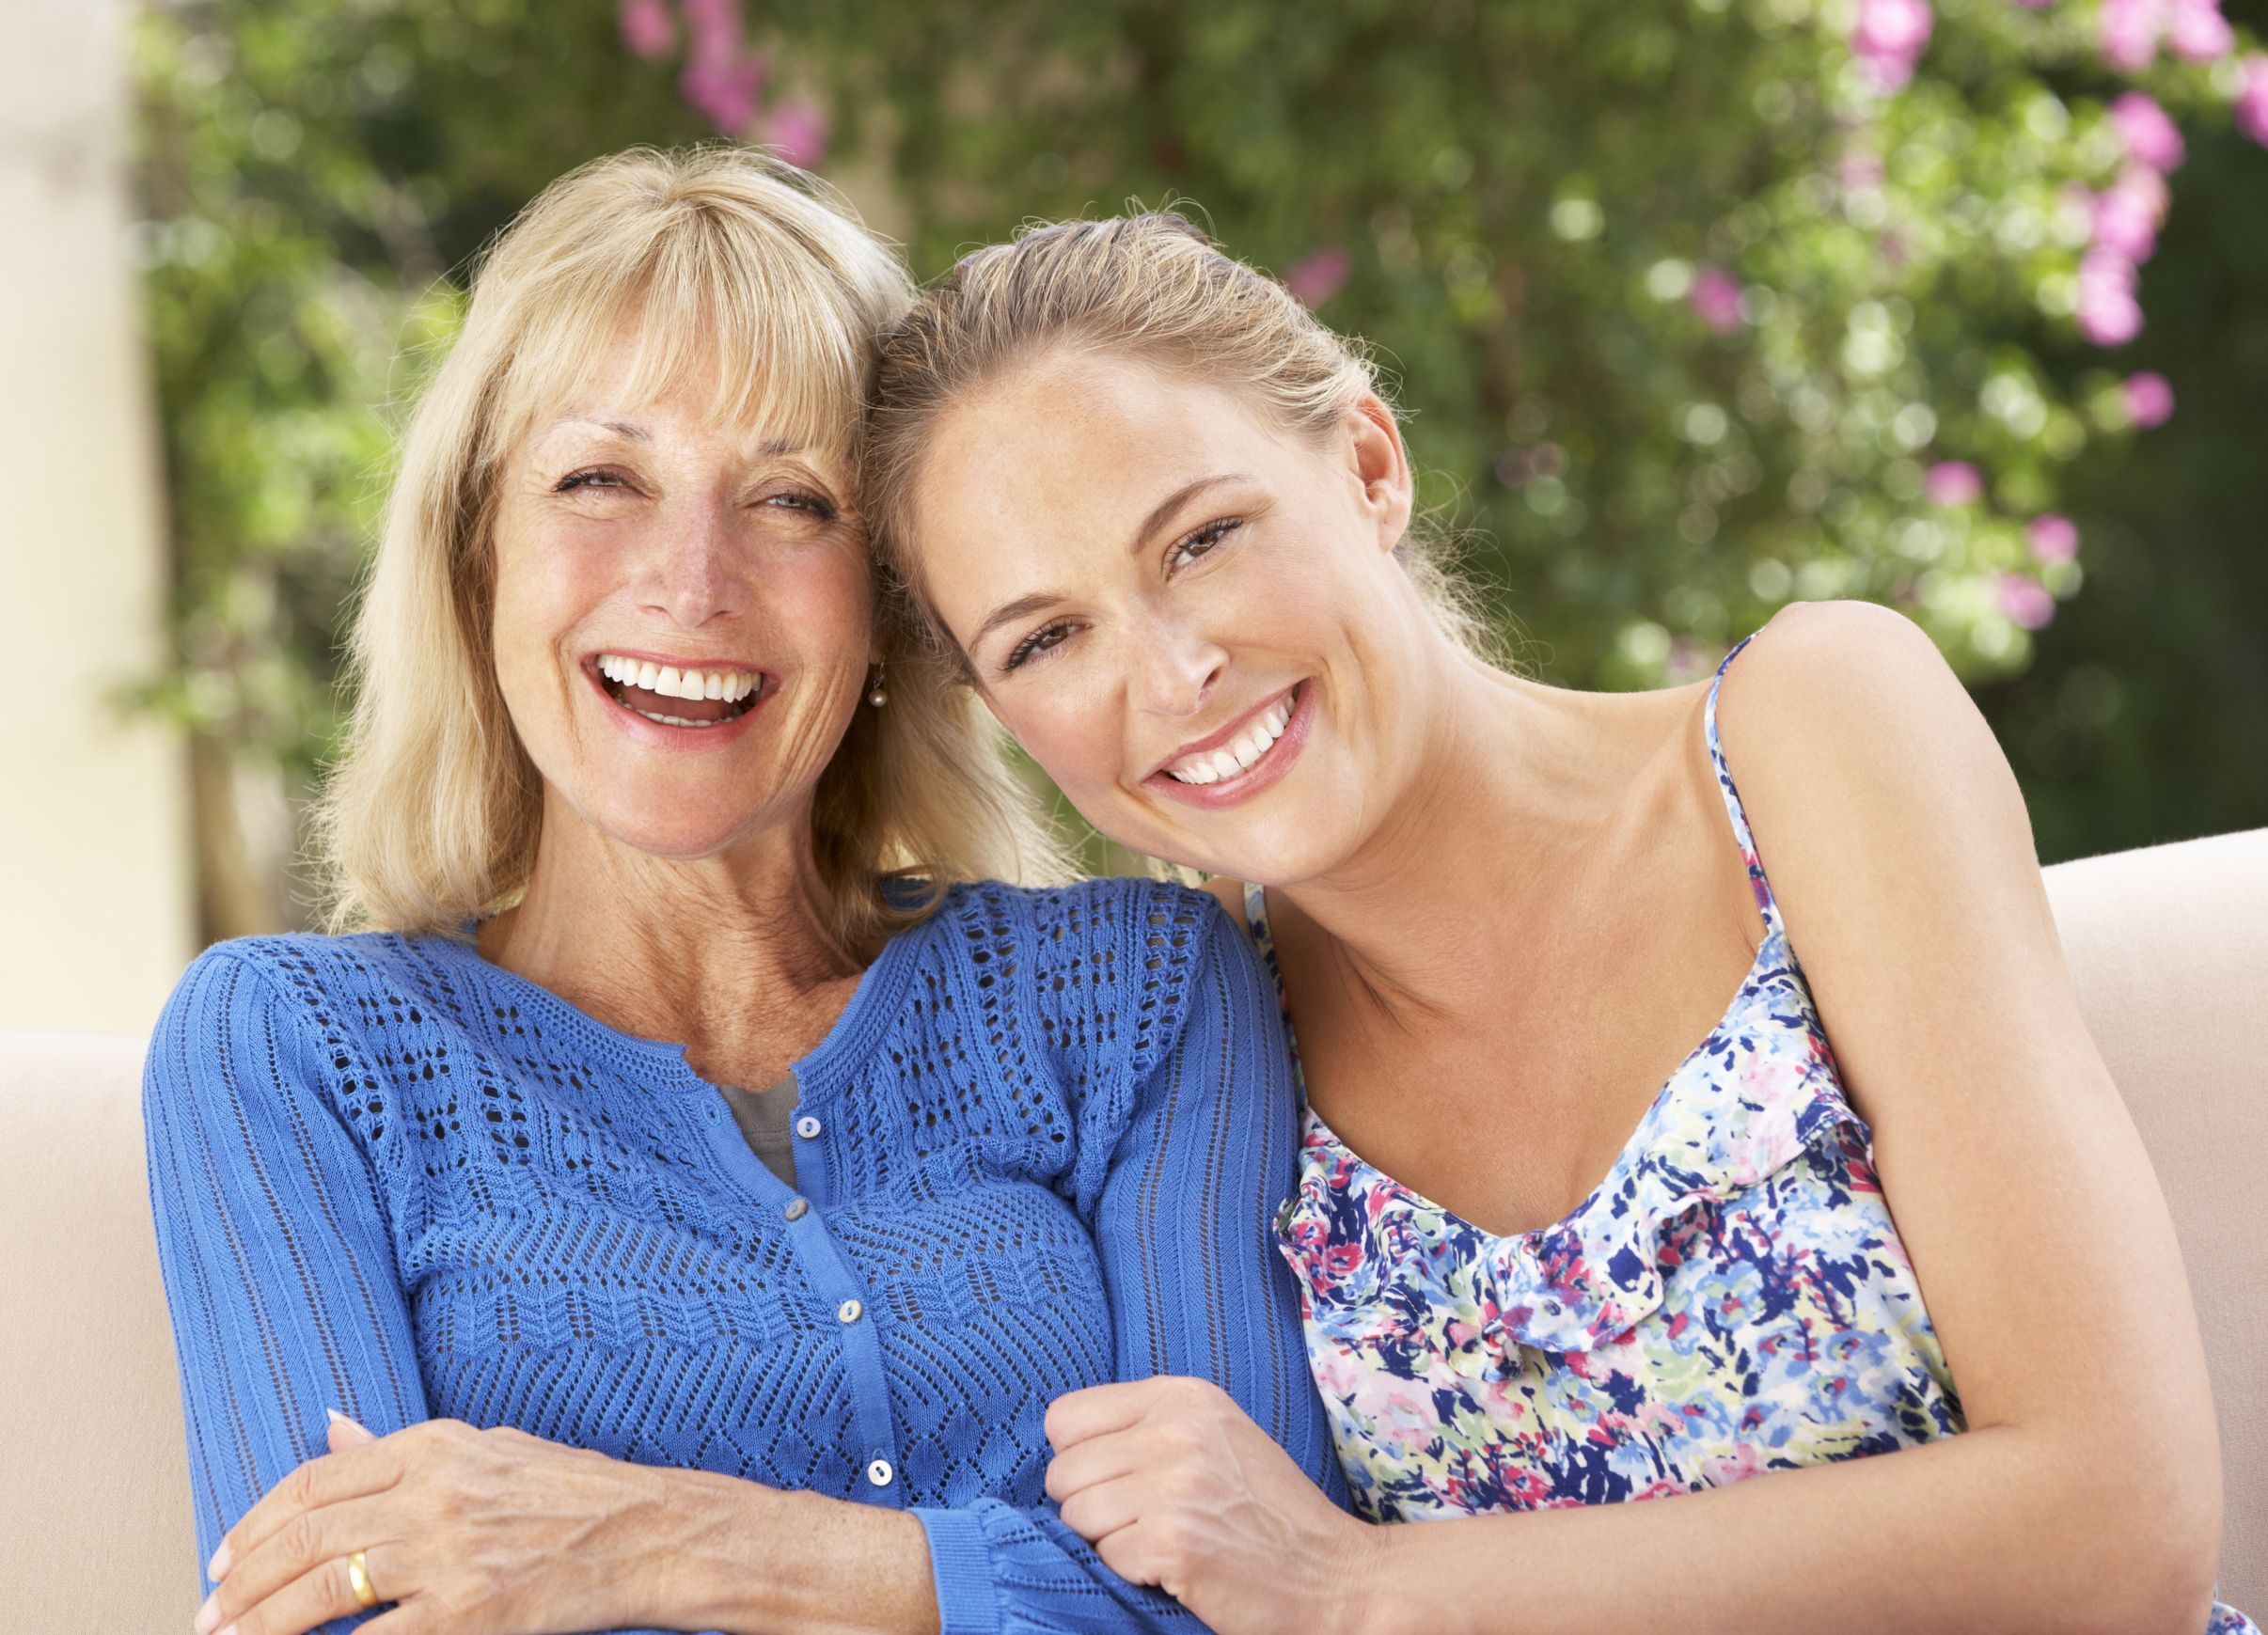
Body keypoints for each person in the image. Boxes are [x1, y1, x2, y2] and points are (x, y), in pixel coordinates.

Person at [861, 212, 2255, 1635]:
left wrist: (1364, 1592)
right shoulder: (1192, 1024)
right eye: (1045, 639)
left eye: (1203, 539)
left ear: (1366, 466)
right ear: (994, 709)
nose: (1172, 676)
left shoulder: (1809, 738)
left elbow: (2119, 1526)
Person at [146, 157, 1337, 1635]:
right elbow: (332, 1619)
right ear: (476, 559)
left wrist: (656, 1543)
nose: (691, 580)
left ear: (896, 604)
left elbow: (1272, 1599)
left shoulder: (1137, 992)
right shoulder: (297, 1047)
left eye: (791, 499)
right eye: (599, 480)